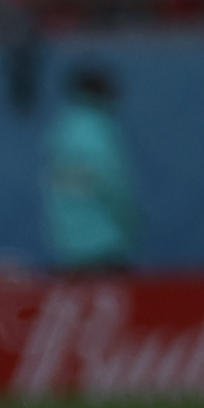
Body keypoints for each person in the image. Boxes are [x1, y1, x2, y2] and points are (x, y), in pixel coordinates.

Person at [41, 67, 138, 268]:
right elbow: (109, 183)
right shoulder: (96, 130)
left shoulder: (64, 129)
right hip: (104, 239)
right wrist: (130, 222)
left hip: (69, 242)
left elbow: (58, 187)